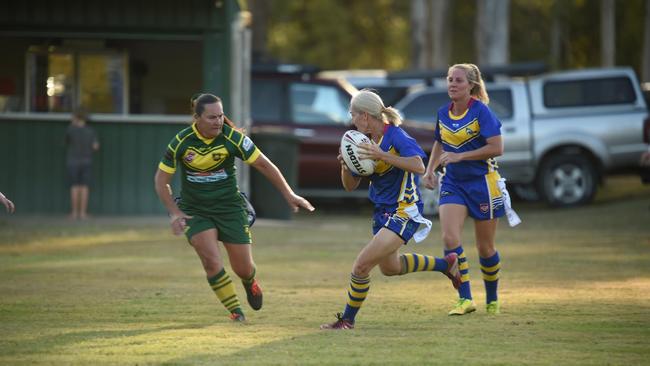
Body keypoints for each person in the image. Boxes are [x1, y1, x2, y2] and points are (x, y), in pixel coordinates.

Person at [154, 93, 314, 322]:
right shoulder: (181, 141)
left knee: (243, 268)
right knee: (211, 261)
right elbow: (161, 181)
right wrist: (175, 212)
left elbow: (264, 165)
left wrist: (289, 194)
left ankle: (250, 283)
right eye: (211, 117)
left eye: (220, 116)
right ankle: (236, 312)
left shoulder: (232, 138)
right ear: (197, 118)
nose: (218, 121)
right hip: (196, 210)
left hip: (230, 208)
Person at [320, 90, 461, 330]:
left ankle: (347, 320)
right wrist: (345, 165)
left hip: (404, 210)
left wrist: (382, 155)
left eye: (353, 114)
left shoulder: (395, 136)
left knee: (361, 266)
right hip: (382, 212)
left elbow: (419, 165)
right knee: (391, 268)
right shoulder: (362, 142)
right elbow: (350, 187)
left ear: (365, 116)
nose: (351, 119)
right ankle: (446, 264)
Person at [422, 63, 512, 316]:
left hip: (483, 183)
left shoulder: (481, 112)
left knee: (485, 248)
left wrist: (462, 157)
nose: (452, 84)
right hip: (453, 183)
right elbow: (440, 143)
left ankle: (492, 299)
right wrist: (430, 170)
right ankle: (465, 298)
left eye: (458, 80)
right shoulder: (443, 113)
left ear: (471, 85)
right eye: (450, 79)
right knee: (450, 239)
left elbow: (497, 148)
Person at [65, 108, 99, 220]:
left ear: (76, 117)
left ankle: (74, 213)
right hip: (87, 160)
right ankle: (83, 213)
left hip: (73, 160)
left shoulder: (70, 129)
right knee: (84, 187)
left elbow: (66, 142)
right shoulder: (90, 131)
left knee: (74, 186)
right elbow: (95, 147)